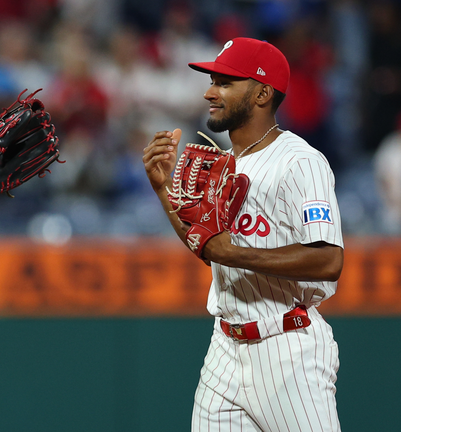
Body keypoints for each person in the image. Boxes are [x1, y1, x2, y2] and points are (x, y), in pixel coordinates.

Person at [142, 37, 344, 432]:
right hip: (225, 348)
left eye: (224, 83)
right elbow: (208, 248)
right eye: (213, 81)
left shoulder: (300, 162)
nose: (209, 92)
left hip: (287, 347)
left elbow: (328, 260)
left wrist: (231, 252)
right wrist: (163, 189)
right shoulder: (224, 162)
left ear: (262, 93)